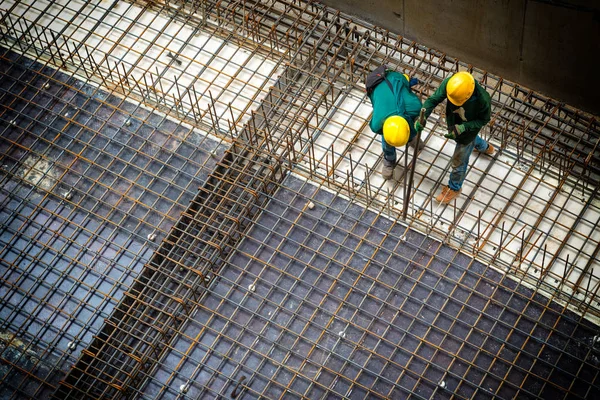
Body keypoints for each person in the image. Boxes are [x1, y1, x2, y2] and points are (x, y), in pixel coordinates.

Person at [415, 71, 495, 203]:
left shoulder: (482, 99)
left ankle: (454, 188)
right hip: (454, 120)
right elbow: (433, 100)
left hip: (469, 130)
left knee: (459, 161)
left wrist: (464, 127)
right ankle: (485, 147)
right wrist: (422, 117)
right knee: (467, 143)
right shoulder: (452, 85)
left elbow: (483, 120)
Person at [368, 71, 425, 180]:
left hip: (394, 78)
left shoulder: (414, 107)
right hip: (376, 84)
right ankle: (389, 160)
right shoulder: (377, 123)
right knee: (388, 139)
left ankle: (412, 138)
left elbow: (403, 83)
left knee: (407, 123)